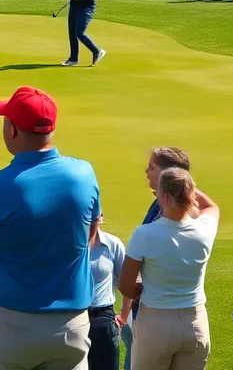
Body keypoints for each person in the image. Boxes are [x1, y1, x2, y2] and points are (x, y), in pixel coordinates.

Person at [0, 87, 101, 370]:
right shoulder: (84, 173)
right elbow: (91, 232)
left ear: (12, 130)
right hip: (71, 326)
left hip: (11, 329)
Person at [118, 169, 219, 370]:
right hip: (195, 323)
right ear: (191, 194)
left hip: (156, 324)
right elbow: (211, 207)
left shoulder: (145, 234)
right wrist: (188, 188)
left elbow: (125, 285)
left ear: (164, 197)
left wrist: (139, 290)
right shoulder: (204, 229)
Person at [122, 148, 192, 369]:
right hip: (156, 309)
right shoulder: (161, 205)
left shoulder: (172, 215)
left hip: (157, 313)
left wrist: (133, 288)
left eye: (152, 167)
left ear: (168, 175)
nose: (146, 171)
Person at [88, 218, 131, 370]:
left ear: (101, 218)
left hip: (102, 317)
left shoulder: (112, 244)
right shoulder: (66, 244)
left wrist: (124, 316)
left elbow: (127, 282)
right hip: (72, 317)